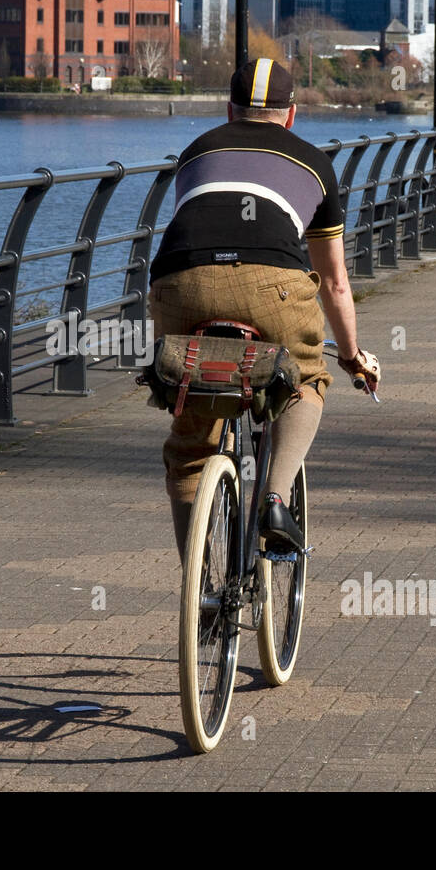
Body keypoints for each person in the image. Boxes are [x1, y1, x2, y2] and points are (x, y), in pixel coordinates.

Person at [149, 57, 380, 560]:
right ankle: (274, 499)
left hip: (179, 281)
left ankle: (201, 589)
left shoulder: (195, 152)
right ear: (291, 114)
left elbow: (200, 228)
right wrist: (351, 355)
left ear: (229, 111)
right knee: (305, 381)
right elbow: (336, 283)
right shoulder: (313, 161)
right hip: (271, 284)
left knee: (193, 425)